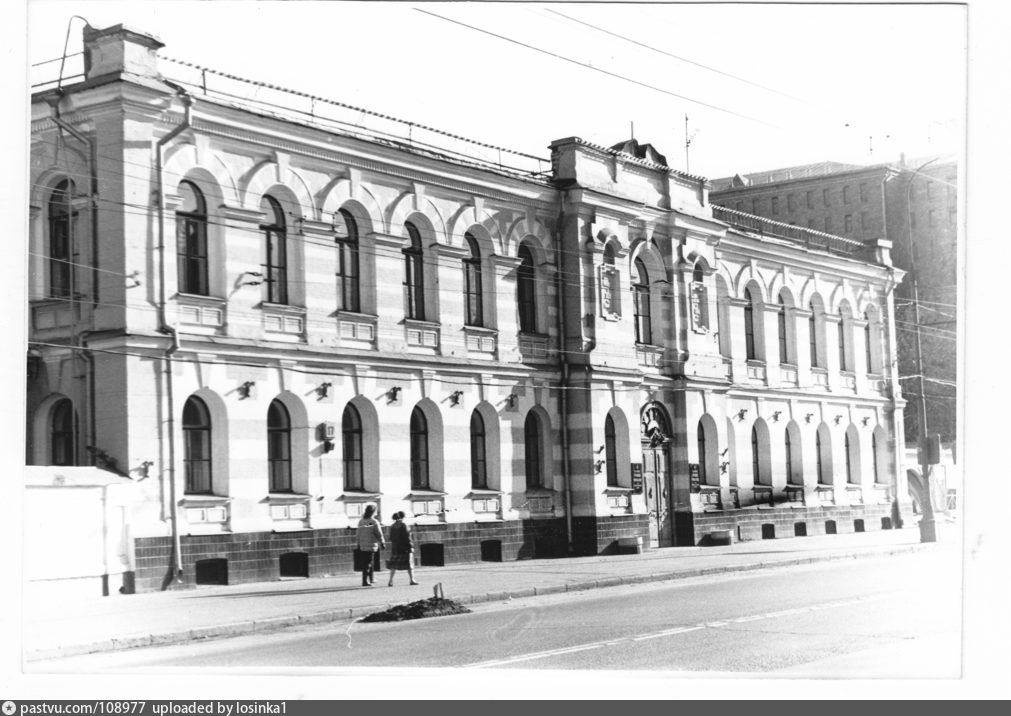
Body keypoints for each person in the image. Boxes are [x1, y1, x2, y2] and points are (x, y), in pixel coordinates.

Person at [386, 511, 419, 586]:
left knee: (393, 565)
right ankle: (412, 580)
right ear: (403, 517)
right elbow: (407, 537)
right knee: (410, 565)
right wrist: (411, 547)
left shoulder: (392, 526)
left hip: (395, 548)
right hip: (405, 548)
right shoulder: (404, 525)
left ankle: (390, 581)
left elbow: (390, 538)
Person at [355, 504, 384, 587]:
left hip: (363, 545)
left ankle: (371, 578)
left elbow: (358, 533)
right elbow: (379, 533)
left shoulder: (361, 521)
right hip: (371, 544)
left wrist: (358, 543)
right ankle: (365, 581)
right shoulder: (373, 521)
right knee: (368, 563)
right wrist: (382, 542)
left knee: (367, 562)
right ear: (373, 512)